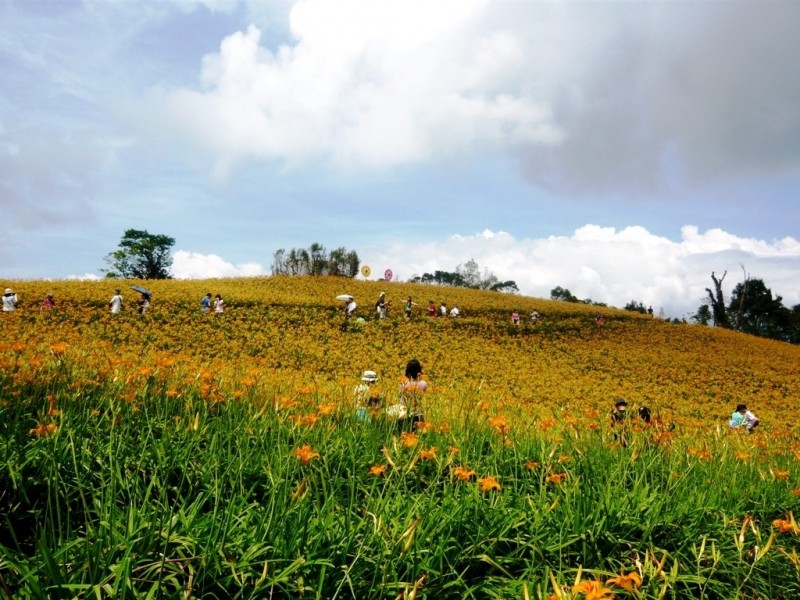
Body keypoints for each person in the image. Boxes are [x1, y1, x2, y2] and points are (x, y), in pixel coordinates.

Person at [398, 358, 428, 429]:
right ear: (419, 371)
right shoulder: (424, 384)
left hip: (404, 415)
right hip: (418, 415)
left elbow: (400, 396)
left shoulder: (403, 383)